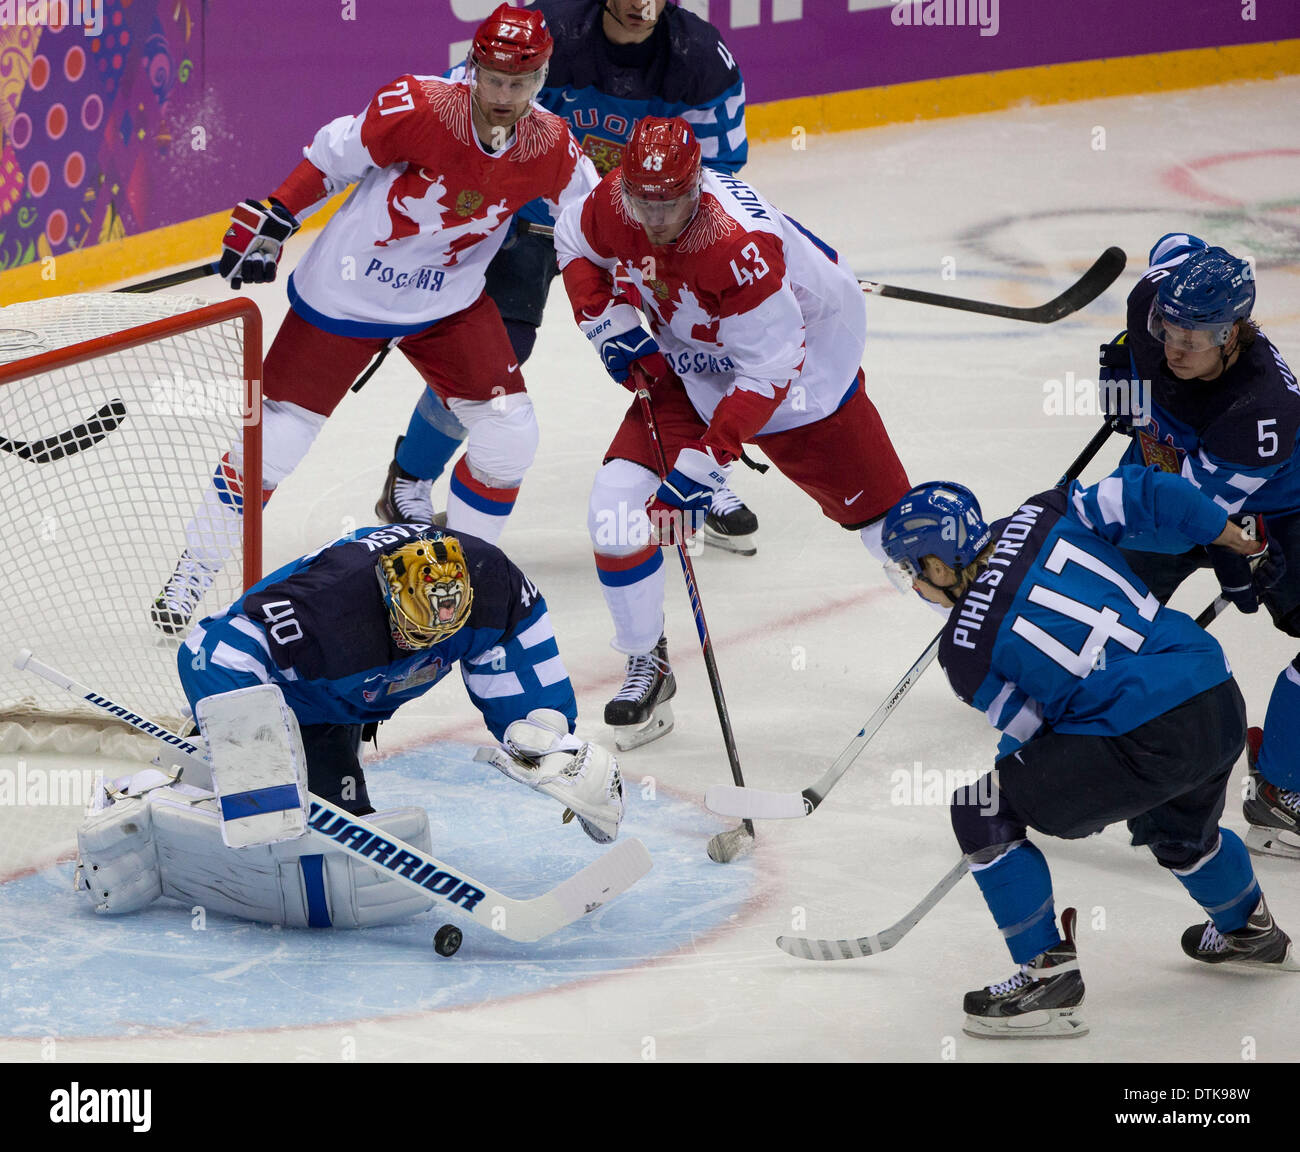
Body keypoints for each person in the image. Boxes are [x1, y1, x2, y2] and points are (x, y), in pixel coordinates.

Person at [151, 4, 599, 635]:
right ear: (473, 68)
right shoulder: (418, 106)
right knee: (274, 443)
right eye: (494, 79)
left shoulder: (552, 145)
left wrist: (626, 297)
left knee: (510, 436)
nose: (504, 95)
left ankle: (466, 577)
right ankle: (194, 571)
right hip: (348, 296)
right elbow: (335, 153)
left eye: (520, 83)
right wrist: (278, 214)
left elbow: (591, 224)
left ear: (542, 78)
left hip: (446, 303)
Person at [878, 467, 1297, 1039]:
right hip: (1214, 694)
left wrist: (1015, 781)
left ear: (936, 564)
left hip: (1140, 738)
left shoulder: (964, 651)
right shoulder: (1045, 510)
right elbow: (1152, 491)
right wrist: (1228, 535)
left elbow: (1037, 728)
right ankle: (1249, 928)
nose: (915, 587)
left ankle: (1045, 978)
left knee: (982, 809)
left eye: (910, 571)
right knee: (1179, 833)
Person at [554, 116, 911, 746]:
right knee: (613, 511)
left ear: (698, 183)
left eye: (671, 203)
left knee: (899, 538)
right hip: (692, 369)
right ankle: (647, 661)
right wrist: (604, 319)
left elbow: (771, 368)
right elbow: (573, 242)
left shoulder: (735, 248)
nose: (655, 218)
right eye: (643, 202)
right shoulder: (617, 200)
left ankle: (984, 625)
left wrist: (705, 464)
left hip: (805, 382)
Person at [76, 523, 623, 928]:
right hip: (296, 705)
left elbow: (519, 645)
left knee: (338, 851)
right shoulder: (324, 607)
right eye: (415, 630)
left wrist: (546, 734)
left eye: (442, 633)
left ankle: (210, 794)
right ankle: (145, 796)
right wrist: (255, 761)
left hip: (351, 705)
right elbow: (208, 650)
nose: (427, 647)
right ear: (390, 598)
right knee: (288, 837)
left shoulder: (492, 583)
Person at [375, 0, 762, 554]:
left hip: (640, 227)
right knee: (491, 355)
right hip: (528, 220)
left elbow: (720, 175)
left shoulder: (701, 59)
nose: (640, 5)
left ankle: (695, 473)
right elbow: (458, 107)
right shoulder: (550, 32)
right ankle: (409, 476)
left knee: (693, 344)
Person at [1101, 233, 1300, 859]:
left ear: (1233, 333)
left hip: (1273, 505)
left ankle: (1281, 790)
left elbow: (1195, 514)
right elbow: (1176, 243)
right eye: (1168, 330)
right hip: (1167, 477)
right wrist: (1124, 382)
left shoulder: (1261, 411)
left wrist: (1236, 565)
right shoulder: (1156, 302)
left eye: (1196, 338)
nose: (1175, 347)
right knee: (1098, 607)